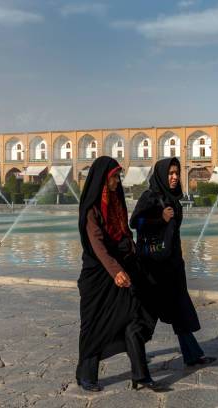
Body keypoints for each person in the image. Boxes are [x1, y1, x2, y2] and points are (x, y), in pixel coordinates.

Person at [76, 156, 163, 392]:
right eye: (114, 177)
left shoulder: (116, 202)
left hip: (123, 270)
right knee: (94, 325)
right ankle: (86, 375)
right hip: (98, 277)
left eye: (118, 176)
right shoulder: (92, 211)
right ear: (103, 179)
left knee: (133, 319)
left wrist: (131, 252)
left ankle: (140, 375)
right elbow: (98, 246)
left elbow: (123, 231)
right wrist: (115, 271)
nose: (117, 181)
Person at [130, 157, 216, 367]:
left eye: (176, 173)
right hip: (154, 267)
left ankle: (192, 355)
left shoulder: (174, 199)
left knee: (179, 310)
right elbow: (135, 222)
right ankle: (133, 350)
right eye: (170, 173)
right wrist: (160, 218)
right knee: (148, 316)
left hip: (172, 265)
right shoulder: (150, 197)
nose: (175, 177)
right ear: (161, 174)